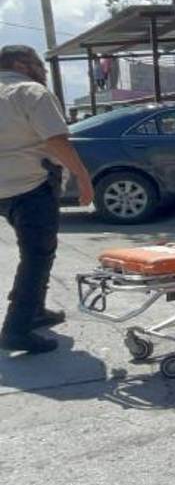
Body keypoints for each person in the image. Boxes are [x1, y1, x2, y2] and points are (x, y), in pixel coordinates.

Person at [0, 45, 94, 353]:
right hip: (32, 186)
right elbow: (56, 141)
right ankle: (16, 329)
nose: (42, 71)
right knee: (37, 255)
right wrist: (83, 176)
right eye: (38, 64)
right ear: (20, 64)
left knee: (38, 252)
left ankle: (35, 310)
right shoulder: (30, 91)